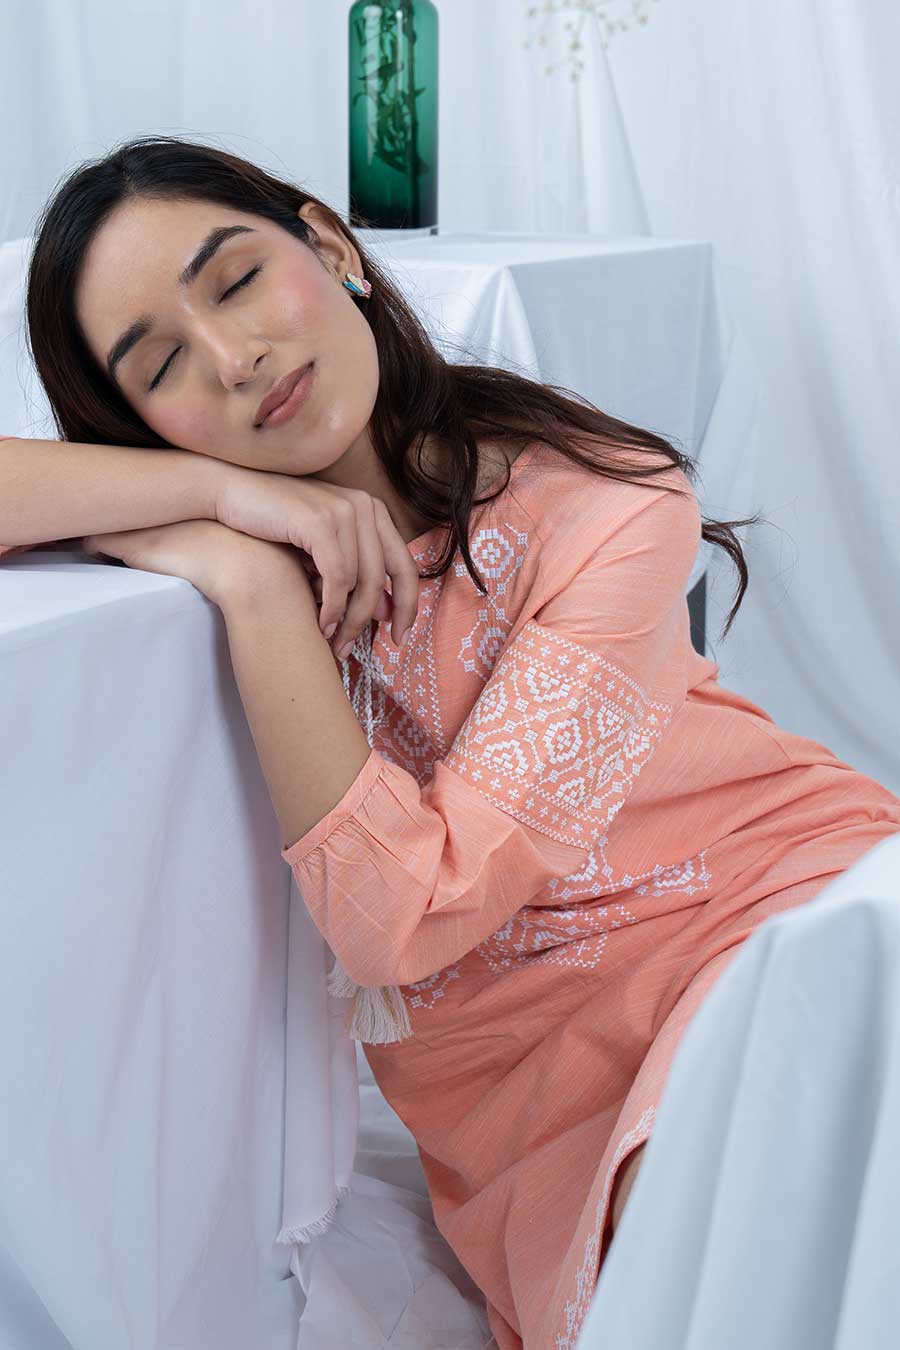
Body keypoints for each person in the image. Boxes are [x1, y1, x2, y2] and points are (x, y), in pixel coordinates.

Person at [2, 135, 898, 1350]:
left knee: (829, 1139)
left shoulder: (610, 503)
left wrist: (232, 561)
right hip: (536, 1085)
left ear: (328, 244)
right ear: (135, 426)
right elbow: (400, 931)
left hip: (776, 900)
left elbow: (412, 910)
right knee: (747, 1242)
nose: (234, 356)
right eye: (162, 363)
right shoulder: (239, 551)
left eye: (236, 280)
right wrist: (230, 532)